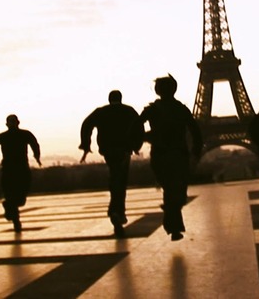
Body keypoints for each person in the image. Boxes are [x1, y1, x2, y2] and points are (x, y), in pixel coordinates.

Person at [136, 75, 202, 241]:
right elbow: (195, 131)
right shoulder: (181, 109)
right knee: (177, 191)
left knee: (169, 188)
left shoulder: (151, 109)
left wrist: (144, 139)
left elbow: (135, 126)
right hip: (179, 154)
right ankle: (173, 225)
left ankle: (172, 224)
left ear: (158, 91)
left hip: (160, 154)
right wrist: (196, 151)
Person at [79, 90, 141, 238]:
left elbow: (86, 125)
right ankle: (117, 211)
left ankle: (116, 211)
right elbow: (139, 127)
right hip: (124, 149)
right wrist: (136, 146)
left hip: (108, 150)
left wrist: (86, 144)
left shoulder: (101, 112)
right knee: (121, 180)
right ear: (121, 98)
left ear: (109, 99)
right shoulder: (129, 111)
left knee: (115, 177)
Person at [0, 114, 41, 233]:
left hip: (12, 169)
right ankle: (16, 221)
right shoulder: (24, 134)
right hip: (15, 169)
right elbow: (34, 144)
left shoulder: (7, 136)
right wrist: (37, 156)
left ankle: (9, 207)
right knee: (15, 196)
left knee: (17, 197)